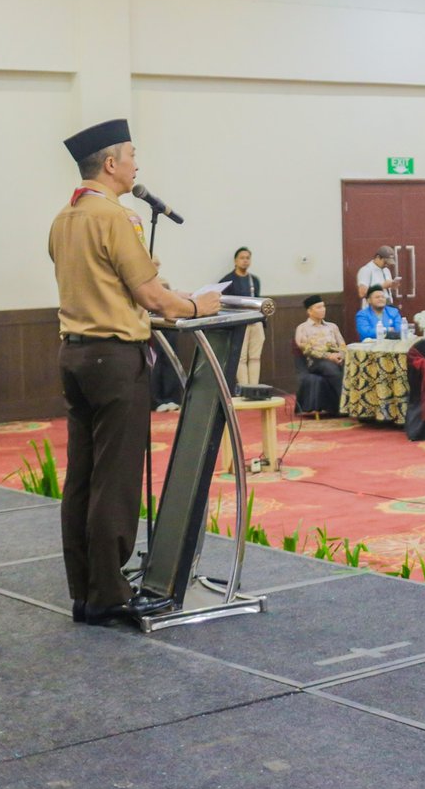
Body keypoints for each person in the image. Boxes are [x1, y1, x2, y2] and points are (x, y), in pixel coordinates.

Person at [50, 118, 220, 624]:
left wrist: (163, 292)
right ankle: (110, 592)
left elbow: (109, 283)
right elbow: (149, 297)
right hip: (114, 359)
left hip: (75, 355)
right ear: (110, 163)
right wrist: (199, 307)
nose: (137, 165)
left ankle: (85, 589)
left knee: (82, 476)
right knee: (116, 480)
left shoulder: (65, 217)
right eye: (132, 156)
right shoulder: (115, 218)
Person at [218, 246, 265, 387]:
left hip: (256, 321)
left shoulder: (254, 280)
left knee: (255, 356)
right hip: (239, 323)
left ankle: (254, 388)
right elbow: (223, 303)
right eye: (242, 258)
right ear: (235, 261)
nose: (245, 261)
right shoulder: (227, 280)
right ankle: (245, 388)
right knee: (241, 357)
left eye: (248, 258)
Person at [295, 296, 346, 402]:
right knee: (331, 368)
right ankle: (343, 404)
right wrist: (328, 356)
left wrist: (341, 355)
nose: (323, 309)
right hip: (316, 361)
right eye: (318, 307)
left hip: (336, 358)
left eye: (323, 306)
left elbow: (342, 344)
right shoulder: (302, 328)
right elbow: (306, 349)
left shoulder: (332, 326)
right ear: (309, 311)